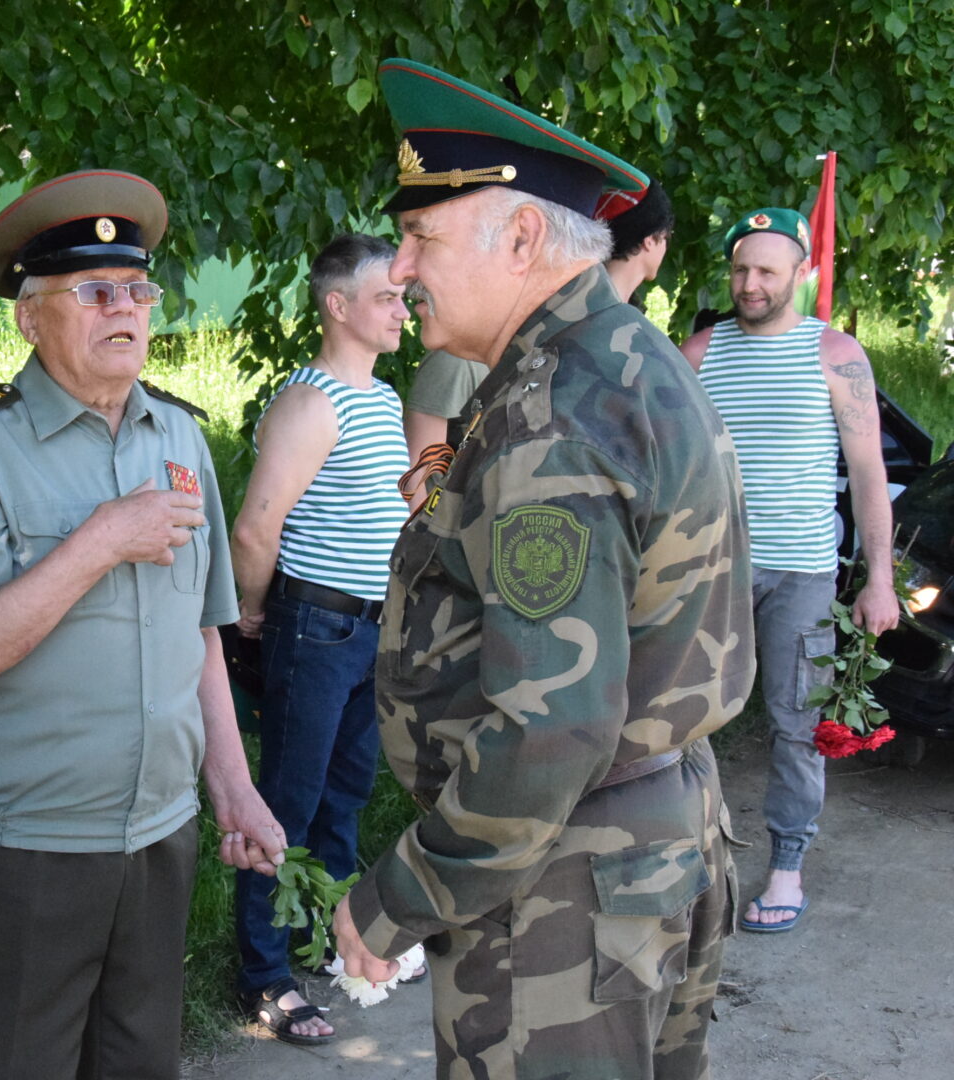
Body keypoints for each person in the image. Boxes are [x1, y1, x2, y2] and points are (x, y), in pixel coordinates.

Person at [330, 59, 755, 1079]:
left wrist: (396, 896)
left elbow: (548, 728)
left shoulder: (550, 412)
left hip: (564, 881)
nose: (397, 268)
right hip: (649, 842)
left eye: (421, 236)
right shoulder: (624, 360)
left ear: (520, 237)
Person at [0, 169, 285, 1080]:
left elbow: (204, 631)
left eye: (138, 290)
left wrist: (231, 787)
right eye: (94, 292)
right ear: (29, 317)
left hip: (160, 836)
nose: (126, 309)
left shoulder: (179, 439)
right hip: (28, 844)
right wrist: (100, 540)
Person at [681, 207, 900, 933]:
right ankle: (688, 854)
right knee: (682, 715)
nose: (750, 283)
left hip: (802, 574)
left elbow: (868, 474)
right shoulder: (702, 353)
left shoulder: (834, 356)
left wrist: (878, 580)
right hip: (712, 568)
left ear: (799, 275)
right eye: (741, 269)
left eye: (767, 271)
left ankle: (786, 865)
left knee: (797, 724)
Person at [228, 234, 417, 1044]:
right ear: (338, 306)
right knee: (285, 809)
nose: (402, 310)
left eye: (403, 298)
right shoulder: (313, 403)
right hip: (313, 624)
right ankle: (264, 978)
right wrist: (253, 614)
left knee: (343, 801)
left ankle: (319, 938)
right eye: (387, 298)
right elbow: (255, 526)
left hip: (366, 632)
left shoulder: (377, 397)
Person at [401, 348, 488, 499]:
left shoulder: (531, 359)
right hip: (444, 517)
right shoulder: (456, 360)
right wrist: (415, 522)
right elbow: (414, 475)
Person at [601, 178, 674, 304]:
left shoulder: (572, 297)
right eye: (666, 237)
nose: (665, 248)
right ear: (649, 240)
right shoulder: (615, 314)